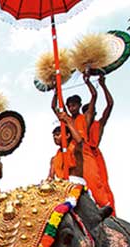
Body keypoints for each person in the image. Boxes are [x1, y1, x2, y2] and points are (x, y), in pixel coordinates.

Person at [81, 74, 116, 212]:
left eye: (90, 113)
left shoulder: (98, 124)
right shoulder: (80, 124)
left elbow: (110, 105)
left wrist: (102, 84)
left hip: (94, 156)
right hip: (82, 155)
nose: (88, 116)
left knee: (101, 186)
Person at [49, 113, 84, 181]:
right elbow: (50, 177)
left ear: (67, 135)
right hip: (61, 187)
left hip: (76, 185)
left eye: (57, 134)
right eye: (54, 135)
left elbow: (79, 142)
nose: (55, 137)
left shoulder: (75, 149)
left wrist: (68, 121)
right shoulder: (54, 159)